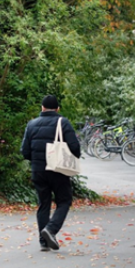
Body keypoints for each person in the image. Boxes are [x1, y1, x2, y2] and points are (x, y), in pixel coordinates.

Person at [20, 95, 81, 252]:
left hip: (38, 170)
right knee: (64, 200)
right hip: (58, 169)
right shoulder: (63, 123)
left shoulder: (31, 124)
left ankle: (43, 242)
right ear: (57, 109)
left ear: (42, 107)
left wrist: (36, 160)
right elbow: (75, 147)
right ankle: (51, 230)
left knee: (43, 204)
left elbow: (24, 151)